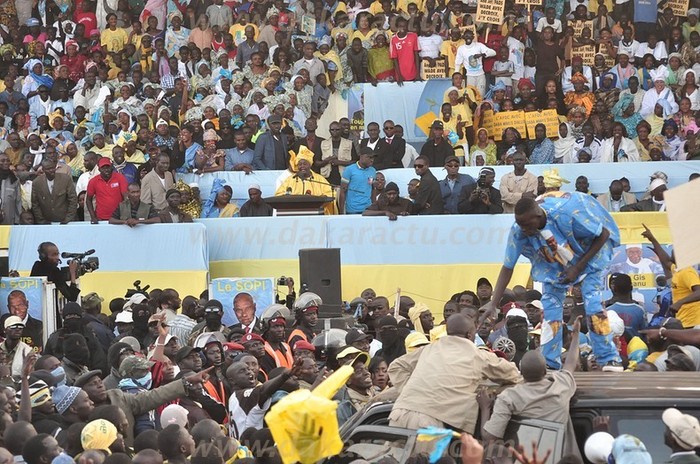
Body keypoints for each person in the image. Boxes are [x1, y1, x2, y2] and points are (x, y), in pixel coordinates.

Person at [482, 194, 623, 371]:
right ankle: (550, 362)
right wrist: (493, 303)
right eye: (520, 225)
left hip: (591, 254)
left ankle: (609, 358)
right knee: (550, 310)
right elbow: (507, 267)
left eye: (527, 225)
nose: (523, 230)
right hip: (553, 263)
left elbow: (603, 234)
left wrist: (577, 268)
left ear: (538, 216)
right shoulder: (520, 229)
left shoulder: (567, 213)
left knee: (593, 304)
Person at [388, 314, 520, 433]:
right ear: (469, 335)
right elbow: (514, 375)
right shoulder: (478, 355)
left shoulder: (429, 349)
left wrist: (412, 392)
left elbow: (395, 367)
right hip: (430, 423)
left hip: (399, 415)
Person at [481, 316, 582, 457]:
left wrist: (485, 408)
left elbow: (489, 436)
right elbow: (570, 364)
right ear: (546, 371)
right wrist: (576, 334)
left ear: (521, 372)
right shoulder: (560, 384)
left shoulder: (509, 397)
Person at [275, 149, 337, 215]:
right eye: (300, 164)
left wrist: (322, 198)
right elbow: (278, 195)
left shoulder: (319, 179)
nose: (302, 166)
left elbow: (331, 193)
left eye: (305, 164)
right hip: (293, 214)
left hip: (316, 214)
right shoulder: (290, 180)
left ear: (310, 165)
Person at [31, 159, 77, 224]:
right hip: (46, 222)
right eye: (48, 169)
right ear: (43, 170)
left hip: (65, 220)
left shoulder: (65, 179)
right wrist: (41, 220)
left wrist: (68, 218)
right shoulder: (37, 183)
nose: (51, 171)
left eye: (53, 168)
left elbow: (73, 200)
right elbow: (35, 204)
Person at [85, 157, 128, 223]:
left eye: (108, 167)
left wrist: (125, 214)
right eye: (103, 168)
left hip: (119, 218)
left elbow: (126, 197)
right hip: (101, 218)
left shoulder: (120, 177)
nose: (106, 170)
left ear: (112, 167)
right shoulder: (93, 181)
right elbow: (88, 200)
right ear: (99, 169)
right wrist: (93, 217)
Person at [340, 147, 376, 214]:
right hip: (353, 210)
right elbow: (342, 191)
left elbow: (373, 189)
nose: (372, 160)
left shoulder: (373, 170)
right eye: (369, 157)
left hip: (368, 209)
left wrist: (374, 205)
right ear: (361, 156)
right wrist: (341, 212)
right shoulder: (349, 170)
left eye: (373, 158)